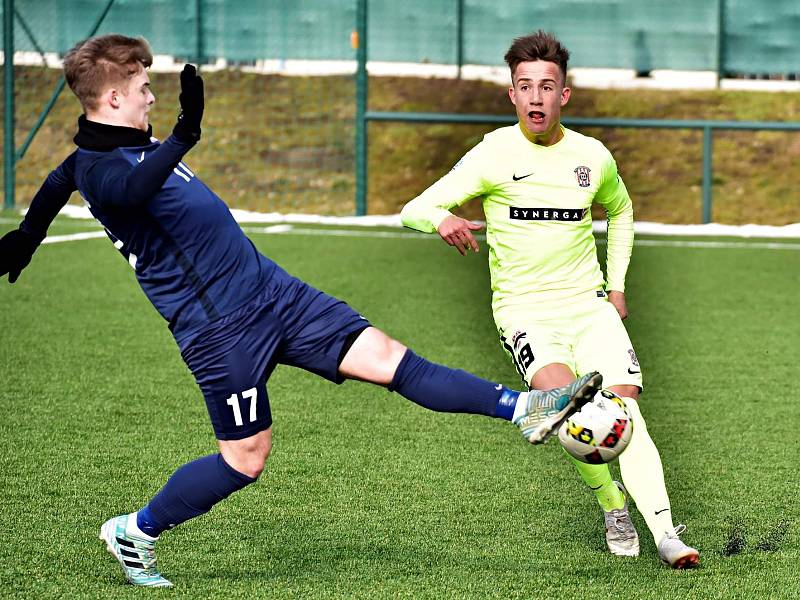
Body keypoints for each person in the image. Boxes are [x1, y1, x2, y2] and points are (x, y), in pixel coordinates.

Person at [0, 34, 603, 588]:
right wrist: (184, 135)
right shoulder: (108, 170)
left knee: (391, 358)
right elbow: (120, 191)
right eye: (141, 90)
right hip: (220, 333)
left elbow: (56, 180)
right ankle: (134, 532)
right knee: (246, 459)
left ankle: (527, 407)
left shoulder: (113, 146)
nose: (152, 96)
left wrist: (26, 237)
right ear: (111, 97)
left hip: (274, 292)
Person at [401, 30, 699, 569]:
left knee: (625, 410)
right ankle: (612, 503)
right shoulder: (492, 154)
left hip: (589, 306)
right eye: (524, 86)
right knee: (571, 407)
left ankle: (665, 533)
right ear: (511, 95)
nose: (535, 96)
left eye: (547, 86)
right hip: (525, 312)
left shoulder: (593, 157)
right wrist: (441, 218)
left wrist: (617, 284)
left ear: (565, 94)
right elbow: (414, 208)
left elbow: (622, 212)